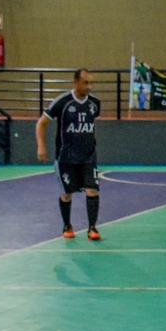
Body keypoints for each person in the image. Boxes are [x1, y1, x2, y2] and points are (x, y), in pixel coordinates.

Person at [36, 67, 102, 239]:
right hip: (66, 157)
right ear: (76, 82)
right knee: (67, 193)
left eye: (91, 83)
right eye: (85, 83)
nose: (89, 87)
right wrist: (41, 146)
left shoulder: (95, 103)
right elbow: (41, 123)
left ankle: (92, 228)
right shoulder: (63, 102)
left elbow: (93, 124)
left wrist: (93, 142)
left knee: (92, 190)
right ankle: (67, 225)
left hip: (88, 156)